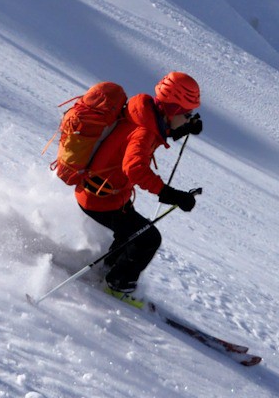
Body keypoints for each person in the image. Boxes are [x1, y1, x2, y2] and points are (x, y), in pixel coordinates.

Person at [73, 71, 204, 294]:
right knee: (148, 239)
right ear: (172, 110)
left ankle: (108, 271)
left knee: (130, 234)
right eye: (187, 113)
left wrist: (184, 127)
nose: (189, 117)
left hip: (107, 193)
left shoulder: (145, 114)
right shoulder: (144, 131)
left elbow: (160, 129)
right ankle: (118, 285)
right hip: (101, 198)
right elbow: (134, 168)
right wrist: (170, 194)